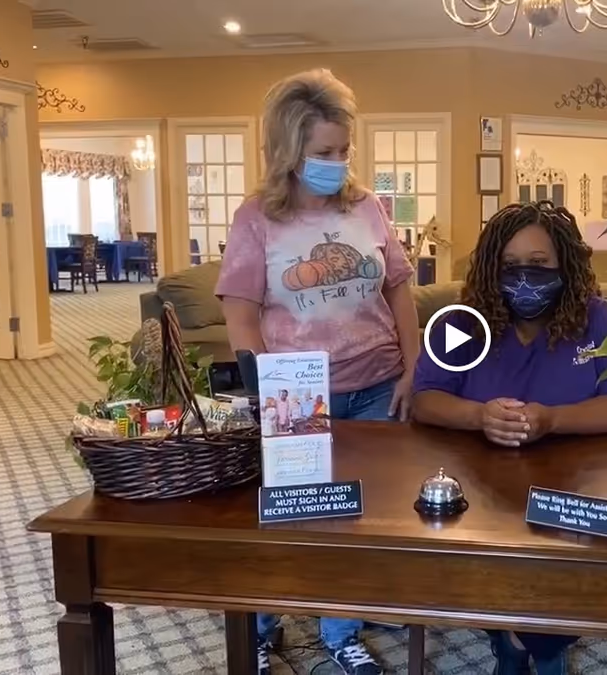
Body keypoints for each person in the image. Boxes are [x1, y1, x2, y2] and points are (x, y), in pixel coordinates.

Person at [215, 68, 420, 675]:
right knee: (291, 514)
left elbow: (402, 291)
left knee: (359, 516)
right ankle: (264, 623)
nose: (338, 162)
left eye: (344, 149)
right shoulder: (257, 218)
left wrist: (413, 370)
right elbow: (241, 316)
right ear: (289, 152)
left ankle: (341, 630)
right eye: (324, 152)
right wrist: (269, 394)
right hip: (298, 394)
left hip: (377, 384)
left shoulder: (368, 207)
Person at [411, 201, 607, 674]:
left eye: (538, 266)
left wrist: (552, 420)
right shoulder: (463, 322)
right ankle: (532, 639)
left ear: (566, 265)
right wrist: (480, 416)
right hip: (482, 489)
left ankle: (522, 641)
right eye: (510, 266)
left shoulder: (601, 322)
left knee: (592, 559)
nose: (524, 278)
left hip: (577, 487)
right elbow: (425, 399)